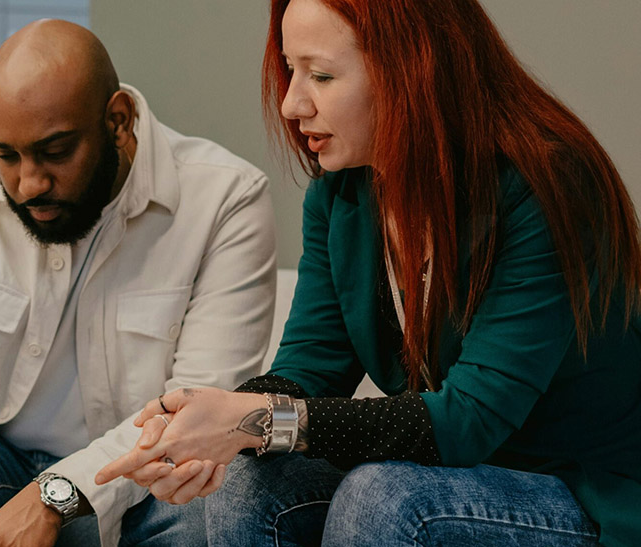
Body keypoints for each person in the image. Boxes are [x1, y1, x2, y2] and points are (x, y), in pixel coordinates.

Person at [96, 0, 641, 545]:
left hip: (588, 493)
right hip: (453, 477)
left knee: (383, 498)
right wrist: (212, 426)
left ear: (412, 67)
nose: (290, 103)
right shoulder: (339, 195)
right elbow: (309, 369)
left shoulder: (545, 184)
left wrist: (253, 420)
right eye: (291, 71)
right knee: (250, 477)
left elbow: (467, 420)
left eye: (322, 75)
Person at [0, 20, 277, 547]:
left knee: (213, 508)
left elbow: (193, 420)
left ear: (118, 122)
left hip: (139, 489)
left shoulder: (226, 202)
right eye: (6, 156)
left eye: (55, 152)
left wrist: (53, 497)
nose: (29, 184)